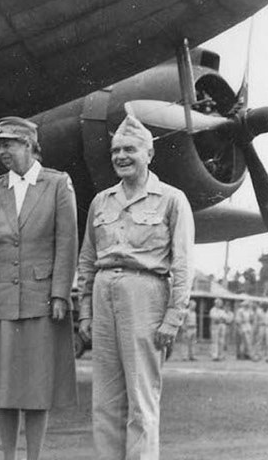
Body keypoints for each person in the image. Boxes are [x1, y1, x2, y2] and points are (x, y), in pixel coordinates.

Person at [77, 112, 194, 460]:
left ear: (149, 154)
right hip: (103, 295)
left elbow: (183, 264)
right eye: (115, 151)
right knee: (106, 401)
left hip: (146, 295)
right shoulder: (102, 201)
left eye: (129, 149)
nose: (121, 157)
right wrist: (84, 311)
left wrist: (173, 319)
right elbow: (87, 260)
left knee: (142, 401)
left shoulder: (172, 199)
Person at [0, 116, 78, 460]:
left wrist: (60, 293)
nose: (2, 151)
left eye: (9, 143)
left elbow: (67, 241)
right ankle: (7, 457)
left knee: (36, 389)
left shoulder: (58, 184)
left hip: (41, 299)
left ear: (29, 144)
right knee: (3, 390)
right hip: (0, 301)